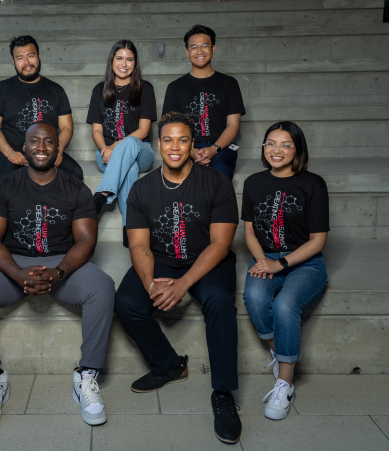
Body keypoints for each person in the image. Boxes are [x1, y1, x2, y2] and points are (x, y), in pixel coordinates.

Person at [0, 121, 115, 428]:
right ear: (24, 147)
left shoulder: (76, 188)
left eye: (48, 142)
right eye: (34, 142)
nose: (41, 147)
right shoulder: (5, 185)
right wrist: (17, 273)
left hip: (61, 260)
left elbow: (86, 241)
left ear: (58, 148)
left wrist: (59, 272)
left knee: (102, 287)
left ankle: (86, 376)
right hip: (14, 259)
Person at [114, 112, 242, 444]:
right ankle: (169, 365)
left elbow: (220, 243)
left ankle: (224, 393)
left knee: (219, 301)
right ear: (158, 144)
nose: (175, 147)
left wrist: (184, 285)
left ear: (192, 144)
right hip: (163, 262)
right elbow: (139, 244)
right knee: (127, 302)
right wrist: (151, 284)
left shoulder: (217, 183)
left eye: (182, 140)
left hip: (208, 262)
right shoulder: (142, 189)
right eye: (168, 139)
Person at [242, 121, 329, 420]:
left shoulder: (313, 184)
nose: (276, 150)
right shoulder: (253, 183)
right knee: (253, 297)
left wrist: (281, 263)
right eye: (270, 143)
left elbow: (318, 240)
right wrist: (261, 261)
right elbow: (250, 232)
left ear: (297, 149)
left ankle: (285, 383)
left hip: (306, 262)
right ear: (263, 148)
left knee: (285, 304)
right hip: (265, 256)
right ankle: (280, 351)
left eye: (285, 144)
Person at [86, 40, 157, 246]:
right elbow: (97, 130)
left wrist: (114, 147)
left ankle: (103, 193)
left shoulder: (145, 88)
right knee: (129, 167)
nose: (124, 64)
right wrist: (104, 149)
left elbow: (143, 131)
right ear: (112, 61)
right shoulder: (99, 90)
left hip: (141, 151)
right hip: (105, 155)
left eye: (129, 59)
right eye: (119, 58)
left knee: (131, 145)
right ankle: (130, 226)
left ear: (135, 63)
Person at [0, 35, 82, 181]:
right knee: (9, 180)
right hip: (14, 151)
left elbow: (67, 126)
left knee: (75, 173)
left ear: (39, 57)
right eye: (20, 58)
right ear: (14, 62)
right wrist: (9, 153)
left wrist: (58, 150)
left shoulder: (56, 90)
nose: (26, 62)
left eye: (31, 56)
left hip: (47, 151)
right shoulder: (1, 89)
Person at [162, 24, 246, 180]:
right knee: (182, 172)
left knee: (220, 169)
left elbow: (233, 125)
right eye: (194, 47)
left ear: (213, 48)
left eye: (204, 46)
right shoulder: (175, 87)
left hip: (221, 147)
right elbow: (169, 127)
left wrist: (213, 149)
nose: (199, 51)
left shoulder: (229, 83)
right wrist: (192, 151)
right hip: (184, 147)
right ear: (187, 52)